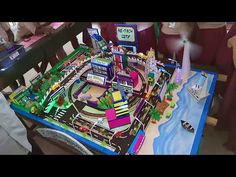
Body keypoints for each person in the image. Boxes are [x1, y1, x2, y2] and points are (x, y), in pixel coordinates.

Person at [0, 22, 26, 91]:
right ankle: (17, 93)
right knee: (9, 78)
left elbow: (9, 32)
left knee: (18, 71)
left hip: (9, 50)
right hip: (1, 57)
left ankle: (24, 89)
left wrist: (11, 42)